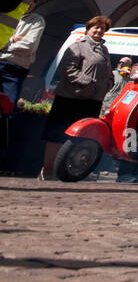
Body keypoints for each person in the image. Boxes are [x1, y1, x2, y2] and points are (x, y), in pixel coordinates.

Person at [42, 16, 113, 179]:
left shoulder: (104, 50)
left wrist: (107, 84)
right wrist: (88, 83)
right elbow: (68, 69)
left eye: (102, 28)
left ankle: (74, 171)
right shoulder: (77, 46)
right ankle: (48, 170)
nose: (99, 30)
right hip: (71, 97)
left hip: (92, 101)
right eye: (96, 27)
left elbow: (109, 72)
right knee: (56, 135)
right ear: (88, 28)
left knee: (85, 136)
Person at [0, 3, 45, 167]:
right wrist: (12, 40)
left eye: (33, 0)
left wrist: (4, 42)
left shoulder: (36, 20)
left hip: (13, 69)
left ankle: (3, 158)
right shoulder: (6, 14)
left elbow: (28, 46)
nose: (29, 3)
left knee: (7, 112)